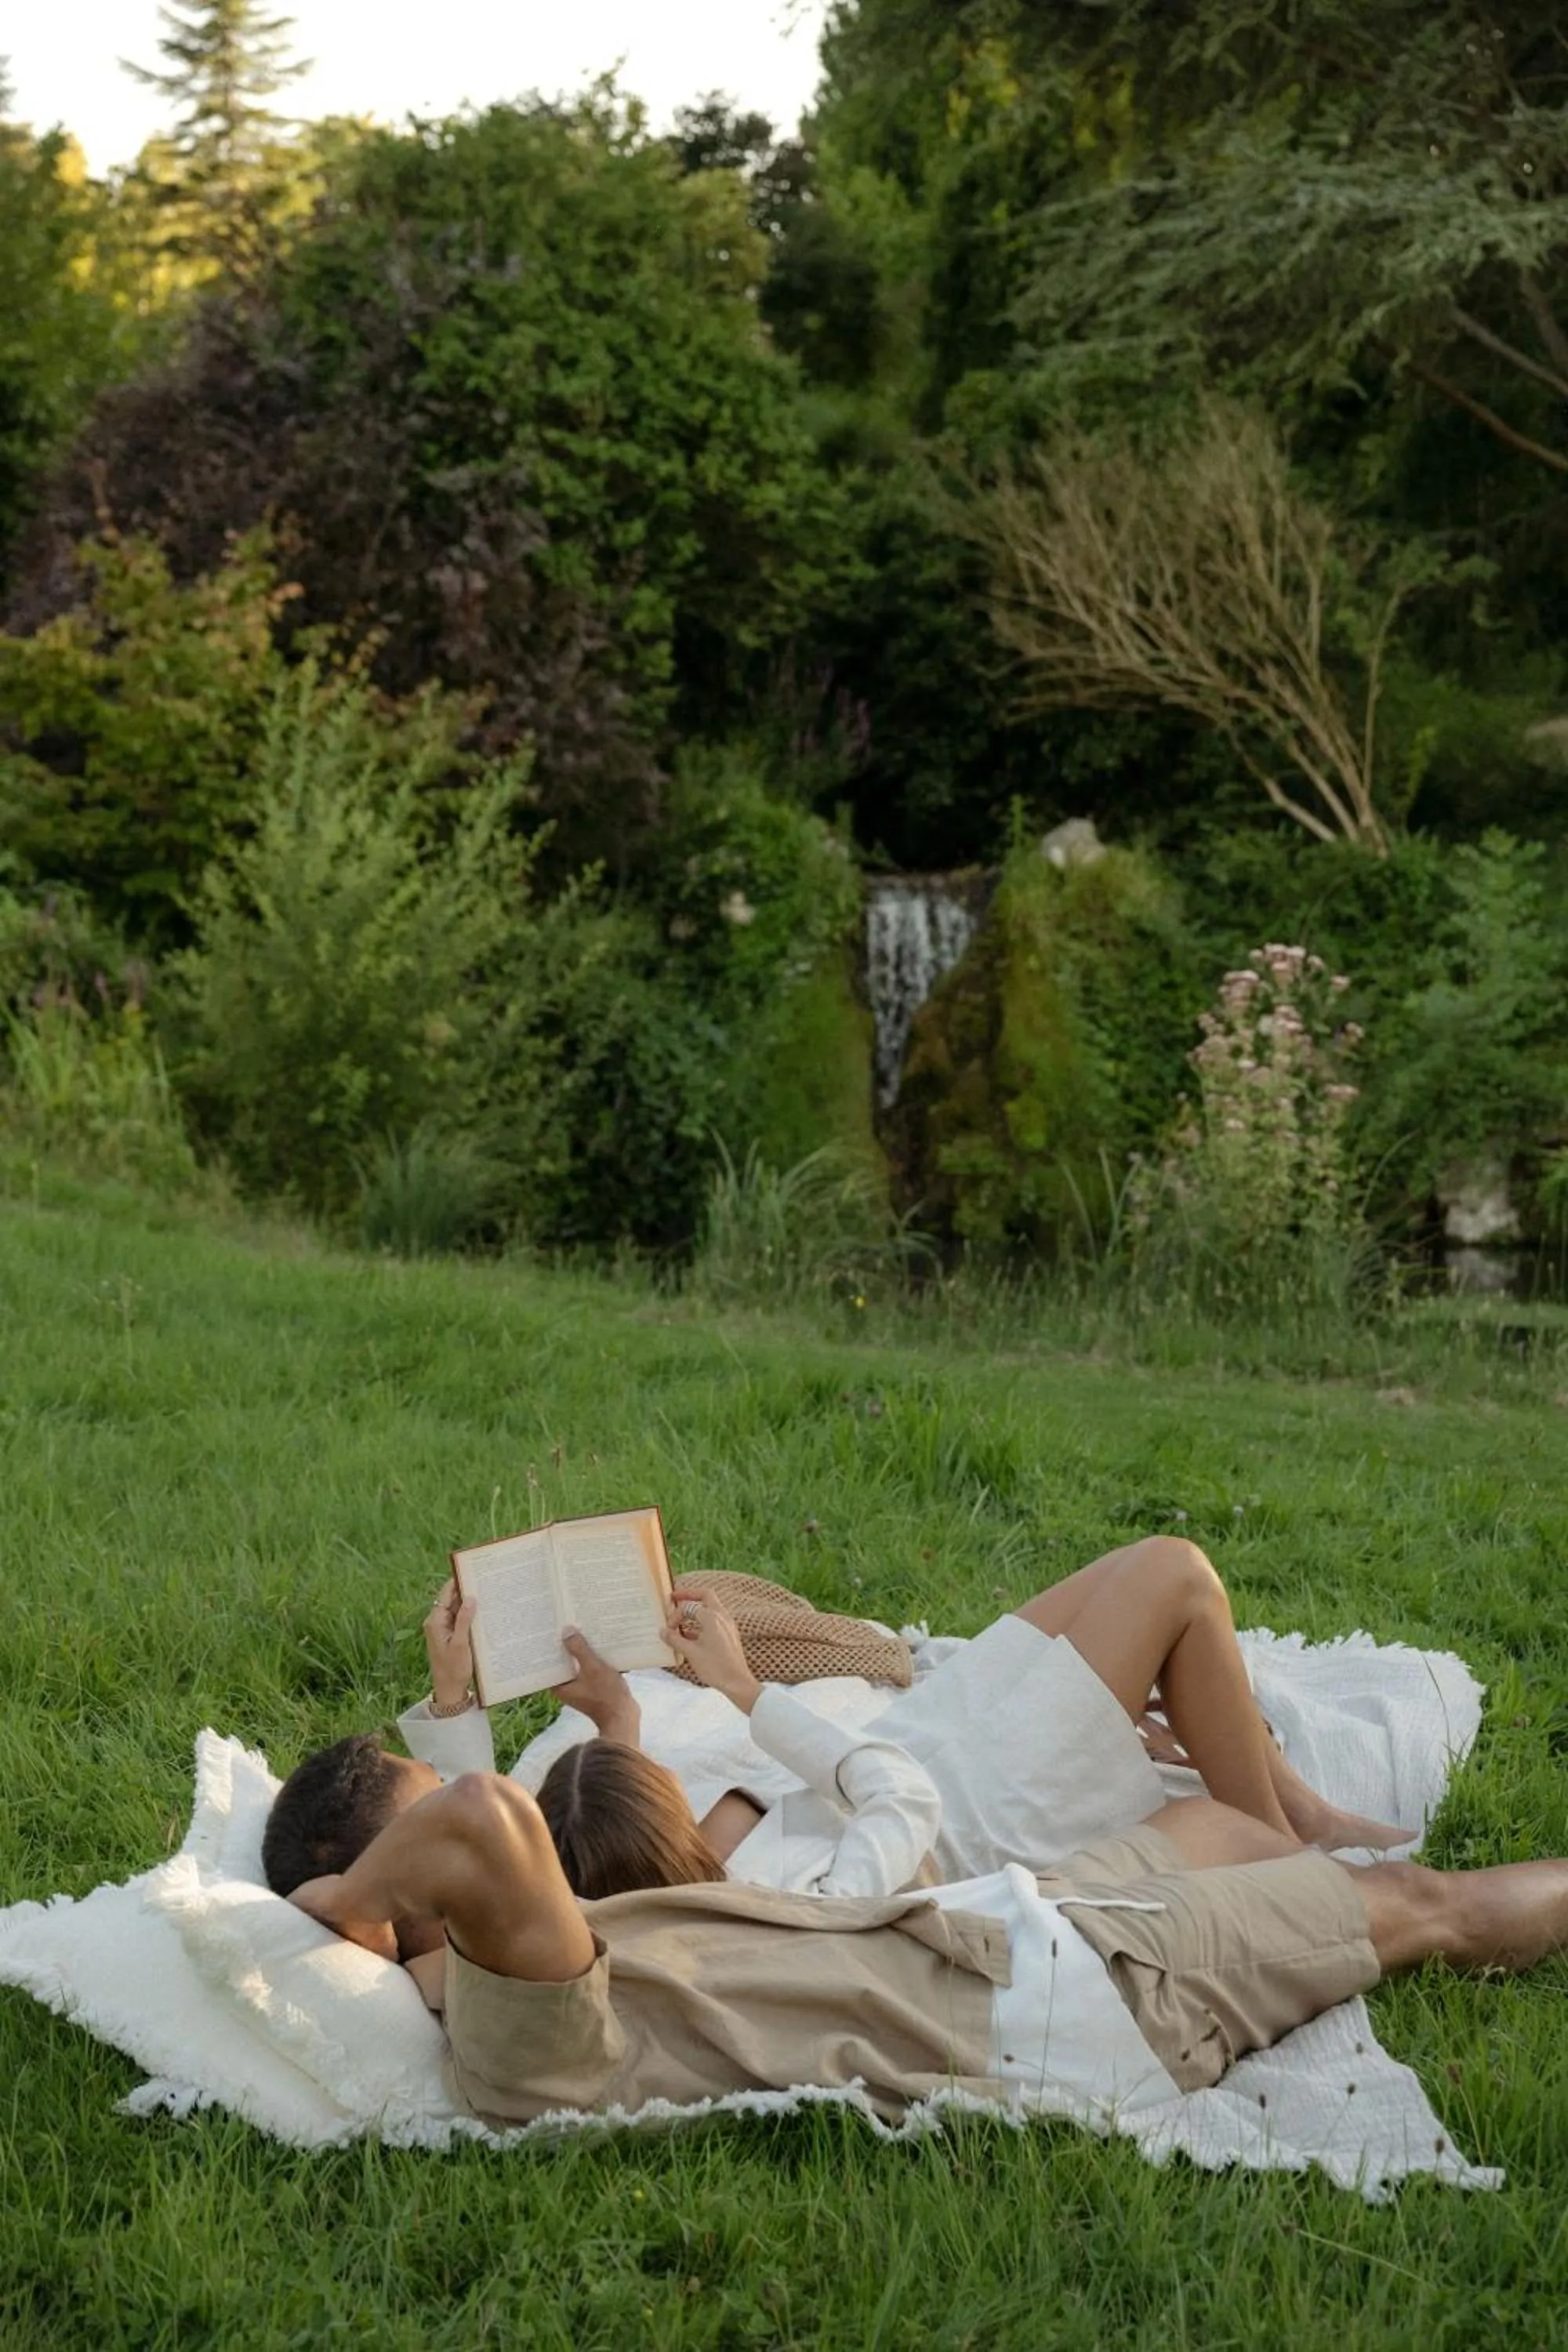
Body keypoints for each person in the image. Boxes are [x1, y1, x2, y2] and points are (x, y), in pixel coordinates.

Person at [281, 1760, 1568, 2132]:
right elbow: (480, 1820)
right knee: (1421, 1905)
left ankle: (1293, 1915)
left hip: (1000, 1930)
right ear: (405, 1908)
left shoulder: (521, 1981)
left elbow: (469, 1824)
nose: (466, 1773)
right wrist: (344, 1898)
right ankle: (1341, 1921)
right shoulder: (516, 2039)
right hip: (1074, 1997)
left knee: (1209, 1820)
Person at [395, 1537, 1409, 1901]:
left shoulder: (619, 1860)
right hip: (983, 1794)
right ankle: (1289, 1854)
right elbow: (899, 1801)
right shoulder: (762, 1902)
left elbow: (489, 1846)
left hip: (927, 1733)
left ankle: (1298, 1806)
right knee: (1174, 1575)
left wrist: (461, 1699)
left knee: (1121, 1578)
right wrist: (747, 1690)